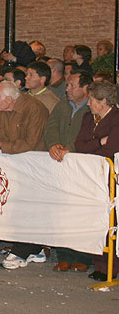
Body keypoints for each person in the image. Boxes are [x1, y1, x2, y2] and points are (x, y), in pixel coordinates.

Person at [0, 81, 49, 269]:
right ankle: (34, 249)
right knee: (18, 207)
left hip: (35, 166)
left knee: (30, 208)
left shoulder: (35, 109)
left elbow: (31, 142)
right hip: (16, 165)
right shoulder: (5, 109)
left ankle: (24, 250)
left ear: (9, 99)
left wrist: (2, 145)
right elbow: (1, 132)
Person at [44, 69, 92, 272]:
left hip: (82, 165)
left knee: (81, 211)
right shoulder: (62, 105)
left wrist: (69, 149)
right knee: (61, 210)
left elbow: (89, 134)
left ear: (86, 88)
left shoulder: (92, 108)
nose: (68, 89)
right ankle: (64, 255)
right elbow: (51, 126)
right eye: (68, 84)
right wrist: (54, 144)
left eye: (72, 85)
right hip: (60, 163)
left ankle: (83, 255)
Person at [74, 81, 119, 281]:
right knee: (95, 220)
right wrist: (100, 141)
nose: (88, 104)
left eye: (91, 100)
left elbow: (112, 150)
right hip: (91, 176)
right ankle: (99, 262)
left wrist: (94, 146)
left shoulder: (116, 119)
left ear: (102, 102)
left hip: (109, 178)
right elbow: (79, 145)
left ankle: (112, 264)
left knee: (111, 221)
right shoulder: (88, 118)